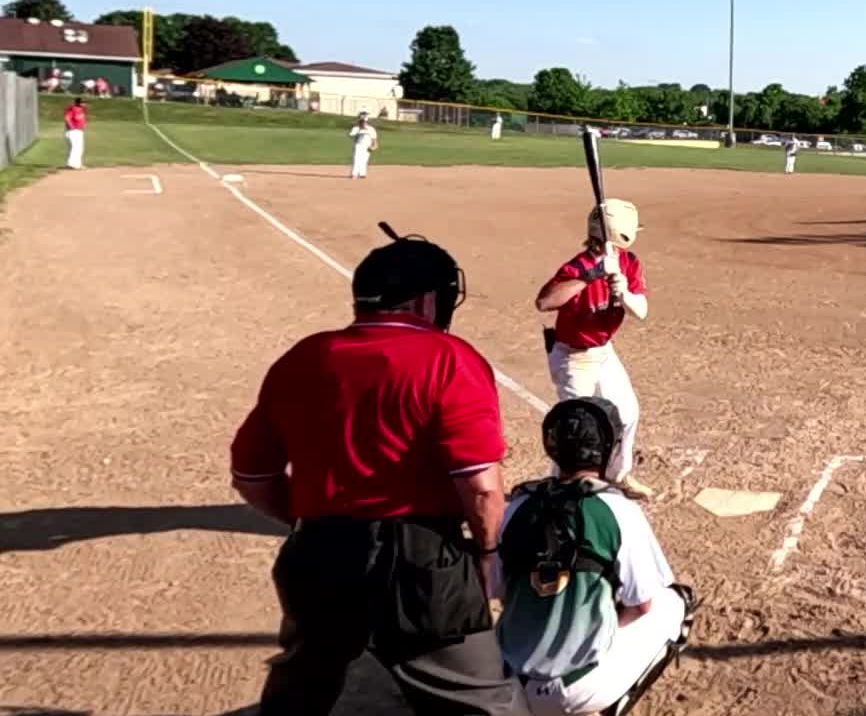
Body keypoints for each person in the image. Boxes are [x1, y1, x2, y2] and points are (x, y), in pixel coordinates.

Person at [228, 224, 528, 716]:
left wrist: (310, 520)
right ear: (428, 303)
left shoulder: (304, 356)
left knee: (300, 692)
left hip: (318, 555)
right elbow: (479, 486)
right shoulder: (450, 359)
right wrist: (488, 551)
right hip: (420, 562)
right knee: (481, 702)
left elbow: (251, 475)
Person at [495, 398, 697, 715]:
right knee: (676, 602)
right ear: (608, 450)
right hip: (577, 688)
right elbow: (641, 604)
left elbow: (499, 591)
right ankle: (609, 706)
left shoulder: (516, 506)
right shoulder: (617, 509)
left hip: (509, 684)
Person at [536, 199, 654, 500]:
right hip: (573, 357)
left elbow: (641, 311)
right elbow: (544, 301)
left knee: (627, 413)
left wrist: (623, 291)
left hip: (603, 352)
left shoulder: (628, 263)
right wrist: (591, 275)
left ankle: (618, 475)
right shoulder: (579, 266)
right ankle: (560, 490)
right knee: (577, 428)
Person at [349, 111, 379, 179]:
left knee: (364, 160)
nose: (362, 122)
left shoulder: (371, 129)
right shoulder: (356, 128)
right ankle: (354, 174)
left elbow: (374, 140)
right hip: (358, 145)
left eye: (363, 121)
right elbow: (352, 136)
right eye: (361, 121)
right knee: (356, 159)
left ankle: (362, 174)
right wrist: (360, 130)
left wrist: (374, 146)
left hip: (367, 146)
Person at [63, 97, 86, 169]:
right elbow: (67, 118)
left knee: (78, 148)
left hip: (78, 131)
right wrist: (71, 127)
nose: (85, 104)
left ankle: (77, 164)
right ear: (79, 103)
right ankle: (72, 164)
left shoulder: (81, 110)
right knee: (76, 148)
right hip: (74, 131)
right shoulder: (72, 109)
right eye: (83, 102)